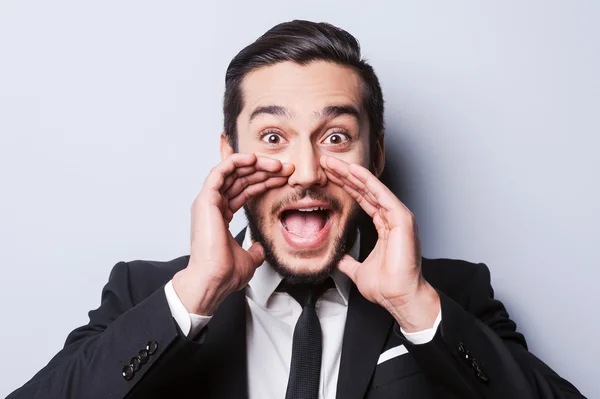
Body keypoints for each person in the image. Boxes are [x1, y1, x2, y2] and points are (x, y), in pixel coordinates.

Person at [8, 20, 584, 399]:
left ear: (375, 156)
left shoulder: (455, 296)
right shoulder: (145, 294)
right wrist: (192, 299)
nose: (306, 173)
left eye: (335, 138)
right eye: (274, 138)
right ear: (230, 156)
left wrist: (417, 308)